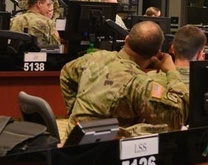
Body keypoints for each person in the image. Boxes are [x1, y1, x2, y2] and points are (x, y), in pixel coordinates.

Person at [60, 20, 189, 138]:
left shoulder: (95, 58)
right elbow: (177, 117)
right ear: (157, 54)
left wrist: (74, 111)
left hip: (73, 142)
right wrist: (171, 71)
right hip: (105, 153)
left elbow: (66, 73)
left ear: (126, 40)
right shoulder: (138, 83)